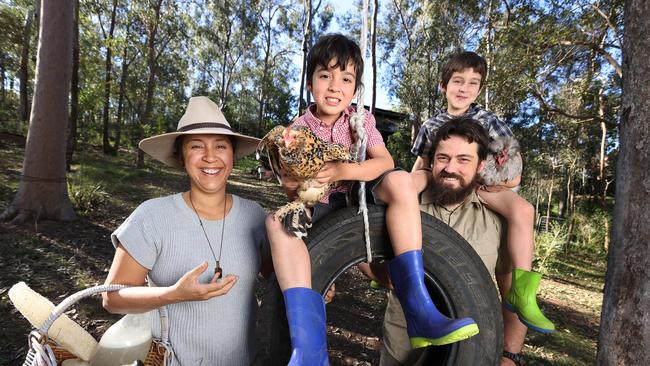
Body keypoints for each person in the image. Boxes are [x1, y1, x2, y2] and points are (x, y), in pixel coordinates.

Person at [266, 34, 479, 366]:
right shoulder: (299, 128)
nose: (335, 86)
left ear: (354, 89)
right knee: (275, 222)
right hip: (319, 203)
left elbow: (384, 161)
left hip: (360, 195)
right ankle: (309, 350)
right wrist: (296, 185)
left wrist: (342, 170)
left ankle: (420, 308)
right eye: (325, 76)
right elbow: (291, 182)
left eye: (346, 79)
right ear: (311, 84)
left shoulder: (360, 120)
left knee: (400, 180)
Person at [102, 96, 271, 366]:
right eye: (196, 146)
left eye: (220, 146)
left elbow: (280, 278)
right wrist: (173, 295)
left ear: (232, 156)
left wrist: (315, 286)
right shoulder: (152, 216)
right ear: (182, 157)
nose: (210, 156)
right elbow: (112, 298)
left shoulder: (256, 217)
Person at [411, 51, 554, 334]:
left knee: (524, 210)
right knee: (402, 192)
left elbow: (513, 165)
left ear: (480, 88)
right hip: (440, 183)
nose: (464, 89)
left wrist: (491, 181)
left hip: (482, 186)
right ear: (443, 86)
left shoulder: (488, 121)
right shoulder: (430, 125)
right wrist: (408, 184)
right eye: (457, 81)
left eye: (473, 83)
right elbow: (421, 165)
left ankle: (523, 292)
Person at [369, 118, 529, 366]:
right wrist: (380, 273)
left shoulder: (501, 218)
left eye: (464, 160)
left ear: (480, 166)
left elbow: (513, 294)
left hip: (472, 348)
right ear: (431, 161)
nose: (450, 168)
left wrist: (511, 355)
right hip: (404, 346)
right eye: (443, 158)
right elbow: (357, 242)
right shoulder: (402, 204)